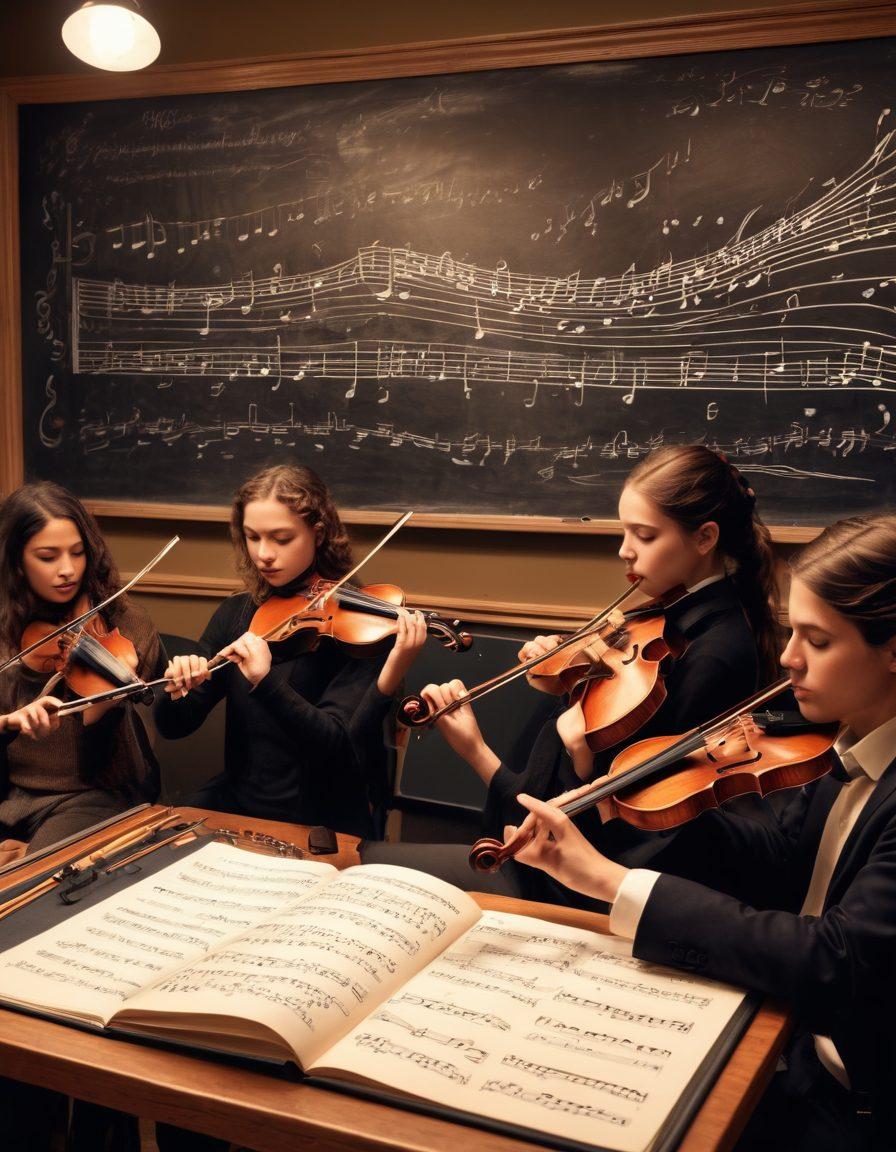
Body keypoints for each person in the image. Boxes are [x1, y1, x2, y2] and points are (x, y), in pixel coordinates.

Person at [510, 512, 896, 1151]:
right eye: (791, 632)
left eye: (818, 641)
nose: (790, 659)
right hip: (788, 1048)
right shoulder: (847, 739)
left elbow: (835, 958)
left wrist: (616, 883)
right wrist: (643, 801)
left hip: (856, 1102)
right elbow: (776, 853)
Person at [360, 445, 781, 903]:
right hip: (537, 852)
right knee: (369, 862)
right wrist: (567, 680)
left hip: (570, 882)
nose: (624, 550)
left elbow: (628, 823)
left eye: (644, 535)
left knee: (369, 870)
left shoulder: (715, 651)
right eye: (625, 531)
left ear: (705, 538)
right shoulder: (670, 614)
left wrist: (489, 751)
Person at [154, 464, 426, 838]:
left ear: (318, 534)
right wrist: (177, 688)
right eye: (252, 537)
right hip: (240, 807)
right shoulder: (238, 613)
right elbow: (173, 727)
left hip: (321, 822)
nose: (263, 554)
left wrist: (266, 682)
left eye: (281, 539)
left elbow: (335, 745)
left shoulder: (359, 623)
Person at [0, 482, 163, 852]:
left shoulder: (126, 624)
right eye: (47, 557)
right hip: (13, 796)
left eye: (77, 553)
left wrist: (104, 704)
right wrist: (9, 722)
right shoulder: (6, 631)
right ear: (17, 563)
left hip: (92, 797)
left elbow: (105, 768)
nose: (68, 570)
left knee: (36, 887)